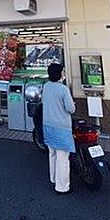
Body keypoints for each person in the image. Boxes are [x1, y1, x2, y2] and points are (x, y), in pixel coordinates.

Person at [42, 63, 75, 194]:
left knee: (52, 153)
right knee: (63, 158)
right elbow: (70, 108)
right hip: (61, 127)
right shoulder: (63, 89)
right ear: (60, 74)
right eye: (63, 72)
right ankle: (62, 187)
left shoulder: (46, 86)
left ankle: (54, 178)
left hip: (48, 125)